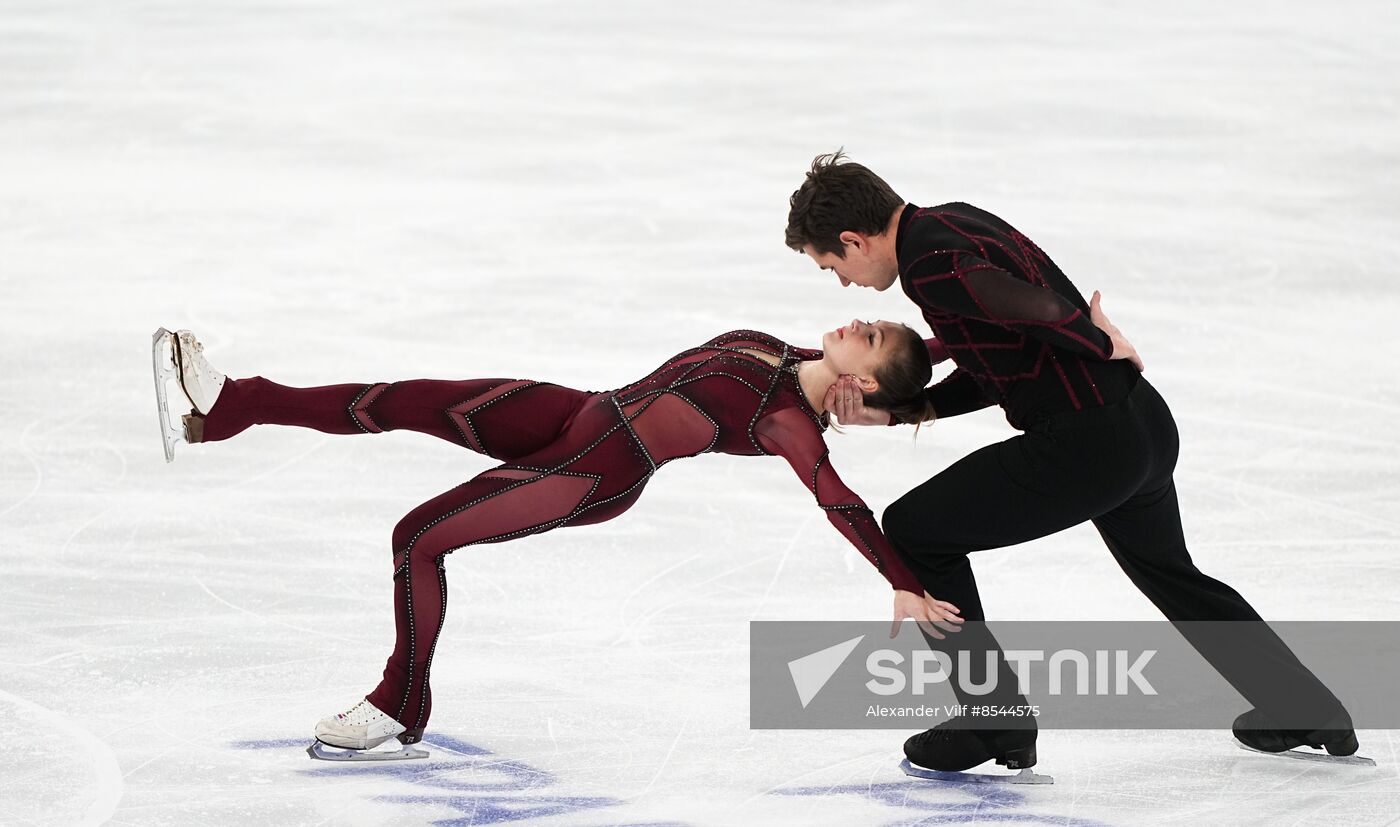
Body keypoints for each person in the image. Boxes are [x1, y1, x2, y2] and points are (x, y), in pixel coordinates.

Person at [784, 151, 1358, 774]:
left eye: (832, 265)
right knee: (1171, 572)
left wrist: (1099, 342)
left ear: (853, 239)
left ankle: (993, 720)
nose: (842, 282)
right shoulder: (952, 221)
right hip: (1140, 423)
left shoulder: (931, 266)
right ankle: (1304, 706)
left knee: (915, 532)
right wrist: (897, 412)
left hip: (1086, 445)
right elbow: (998, 366)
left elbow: (1039, 310)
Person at [151, 322, 966, 758]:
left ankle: (400, 705)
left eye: (873, 338)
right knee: (397, 397)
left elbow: (840, 500)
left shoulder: (786, 420)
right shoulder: (792, 358)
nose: (861, 321)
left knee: (419, 538)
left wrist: (897, 577)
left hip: (590, 472)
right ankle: (235, 405)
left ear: (859, 381)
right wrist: (1007, 340)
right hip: (577, 410)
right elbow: (920, 360)